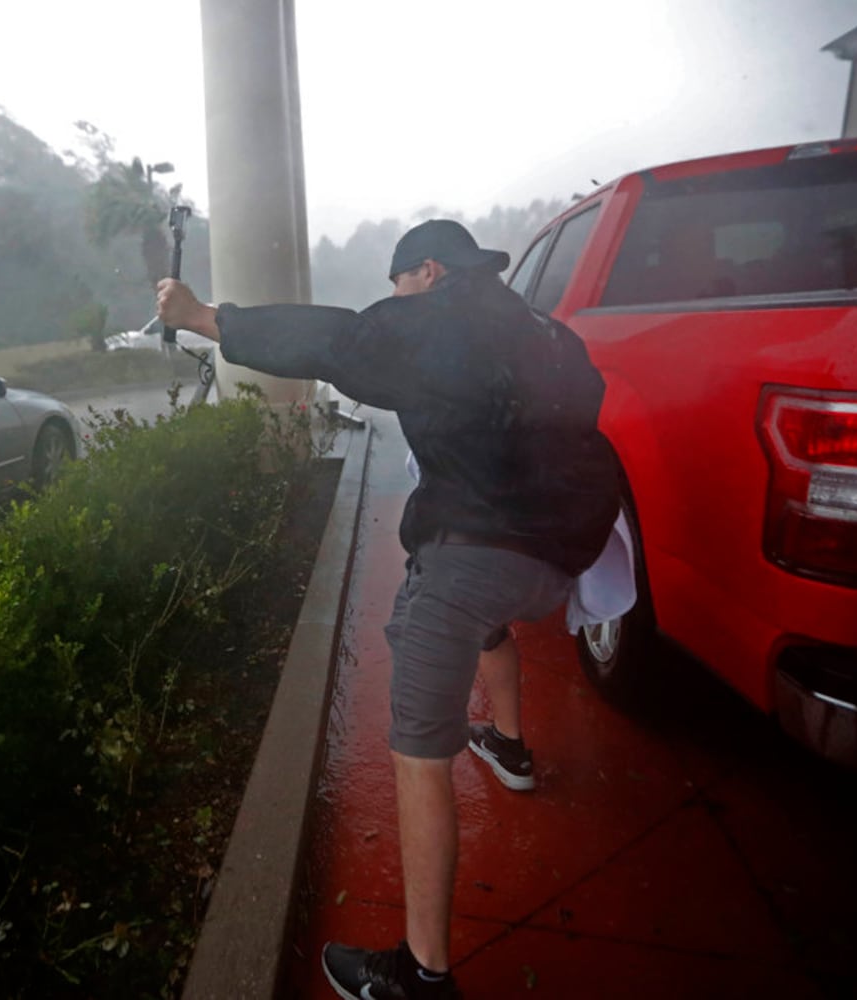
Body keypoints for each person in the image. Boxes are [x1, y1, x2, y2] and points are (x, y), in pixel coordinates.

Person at [156, 219, 619, 1000]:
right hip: (560, 559)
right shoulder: (545, 330)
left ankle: (421, 974)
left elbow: (340, 341)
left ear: (427, 271)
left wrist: (207, 319)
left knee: (418, 755)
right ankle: (508, 746)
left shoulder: (440, 313)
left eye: (398, 285)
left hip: (471, 558)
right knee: (486, 624)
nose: (394, 300)